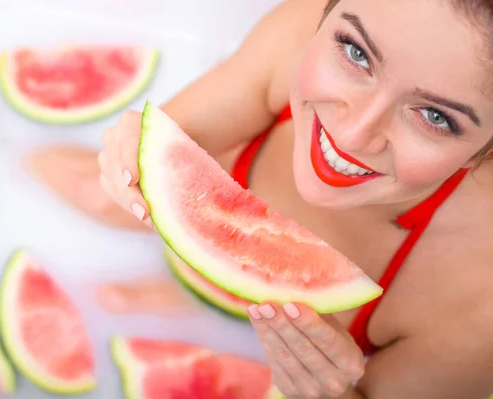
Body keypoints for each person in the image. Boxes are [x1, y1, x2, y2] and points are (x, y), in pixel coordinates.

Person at [95, 0, 493, 397]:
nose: (353, 135)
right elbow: (157, 156)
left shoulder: (481, 305)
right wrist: (126, 158)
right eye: (356, 53)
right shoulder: (297, 32)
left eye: (436, 117)